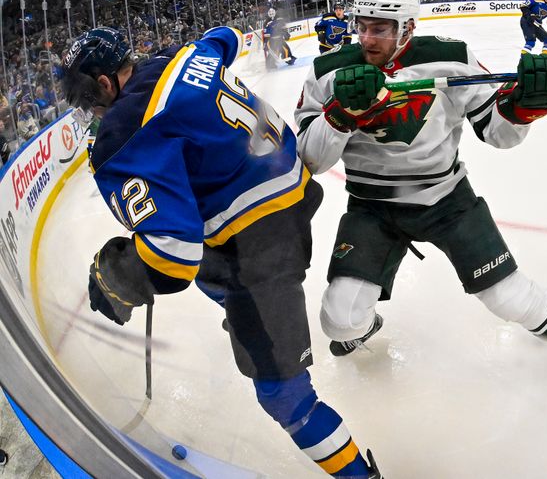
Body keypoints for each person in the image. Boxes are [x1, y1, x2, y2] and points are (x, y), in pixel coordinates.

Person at [61, 26, 382, 479]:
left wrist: (121, 276)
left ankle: (359, 476)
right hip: (294, 188)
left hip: (260, 246)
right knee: (213, 267)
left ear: (105, 82)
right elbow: (226, 37)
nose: (85, 107)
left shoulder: (124, 132)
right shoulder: (183, 54)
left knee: (283, 396)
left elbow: (173, 257)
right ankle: (249, 307)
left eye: (84, 94)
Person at [295, 0, 547, 403]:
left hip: (446, 198)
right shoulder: (327, 72)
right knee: (339, 321)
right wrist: (340, 114)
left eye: (379, 28)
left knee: (505, 296)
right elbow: (309, 160)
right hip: (372, 207)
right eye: (361, 25)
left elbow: (499, 133)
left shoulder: (450, 58)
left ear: (408, 28)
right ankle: (364, 324)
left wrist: (525, 106)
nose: (365, 38)